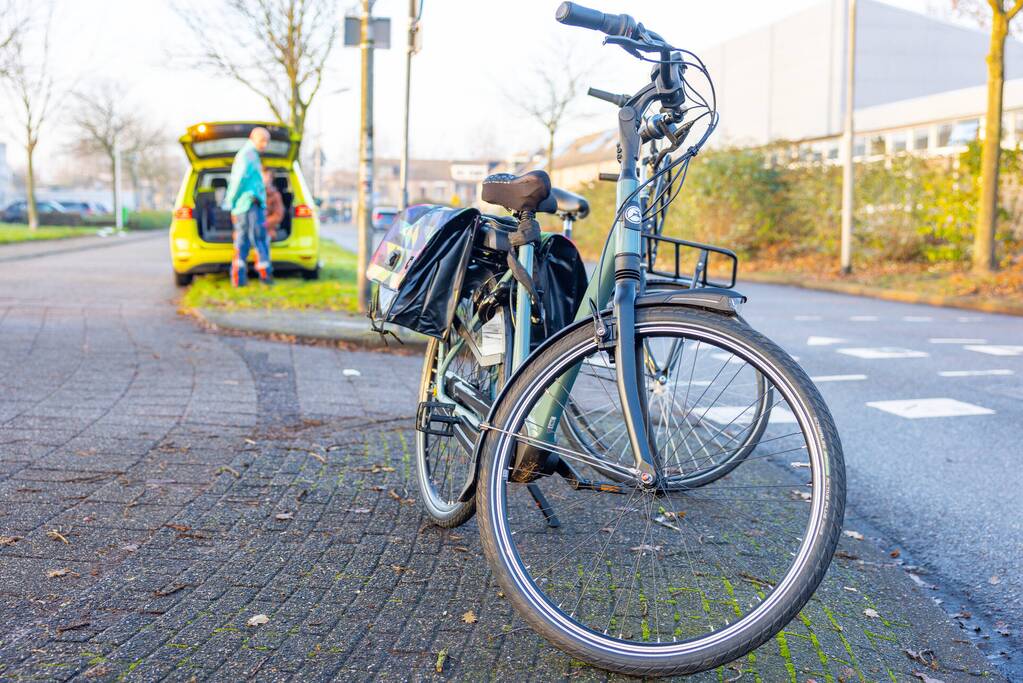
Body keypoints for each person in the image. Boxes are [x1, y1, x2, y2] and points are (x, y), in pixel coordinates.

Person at [223, 127, 272, 286]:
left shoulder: (250, 154)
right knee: (258, 238)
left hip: (244, 205)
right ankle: (265, 278)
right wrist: (229, 200)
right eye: (262, 140)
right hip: (249, 204)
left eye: (267, 141)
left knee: (242, 240)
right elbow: (239, 179)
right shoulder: (248, 154)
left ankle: (239, 280)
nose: (265, 144)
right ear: (253, 137)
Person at [263, 167, 284, 240]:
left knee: (263, 238)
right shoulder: (249, 194)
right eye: (263, 176)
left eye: (267, 176)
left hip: (268, 229)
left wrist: (263, 224)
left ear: (271, 179)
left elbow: (278, 215)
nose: (265, 179)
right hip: (248, 229)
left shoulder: (275, 195)